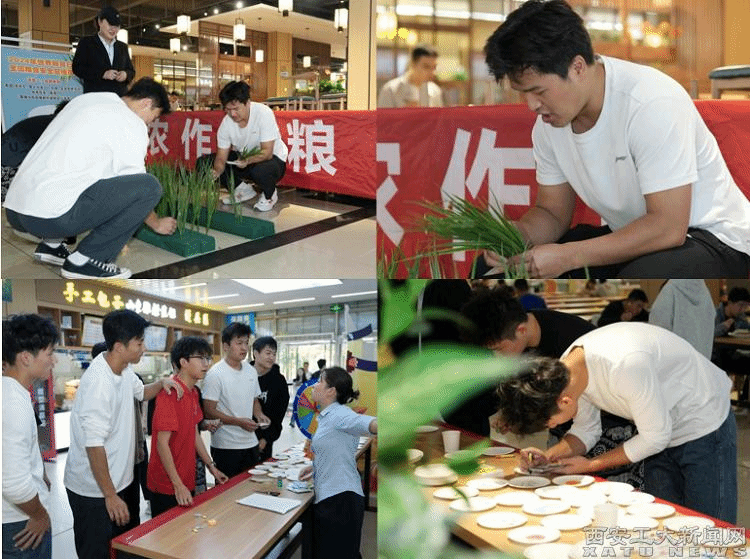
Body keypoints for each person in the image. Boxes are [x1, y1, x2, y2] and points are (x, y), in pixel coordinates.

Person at [481, 0, 750, 278]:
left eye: (539, 91)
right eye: (523, 93)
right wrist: (516, 234)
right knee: (497, 269)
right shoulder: (548, 126)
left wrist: (569, 256)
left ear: (577, 67)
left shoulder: (651, 102)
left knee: (642, 273)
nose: (532, 105)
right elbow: (551, 213)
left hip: (714, 238)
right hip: (636, 234)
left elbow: (668, 227)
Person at [498, 322, 736, 523]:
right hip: (657, 426)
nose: (551, 427)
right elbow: (586, 429)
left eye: (549, 423)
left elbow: (655, 438)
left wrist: (590, 465)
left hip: (703, 420)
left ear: (564, 401)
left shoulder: (625, 366)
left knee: (710, 526)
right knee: (665, 522)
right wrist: (548, 457)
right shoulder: (565, 372)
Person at [3, 78, 176, 279]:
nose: (149, 123)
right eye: (153, 117)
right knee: (149, 187)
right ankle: (86, 260)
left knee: (73, 181)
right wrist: (156, 224)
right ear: (146, 103)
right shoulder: (131, 122)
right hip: (48, 218)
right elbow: (135, 180)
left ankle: (51, 247)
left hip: (16, 212)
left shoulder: (87, 100)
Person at [63, 310, 183, 559]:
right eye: (139, 343)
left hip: (120, 482)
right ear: (119, 346)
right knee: (96, 552)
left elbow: (141, 392)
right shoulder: (99, 383)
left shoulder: (124, 369)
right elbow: (94, 445)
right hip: (93, 491)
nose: (144, 348)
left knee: (124, 547)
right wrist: (110, 495)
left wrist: (161, 383)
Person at [299, 367, 377, 559]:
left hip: (341, 501)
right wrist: (316, 467)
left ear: (331, 391)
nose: (314, 385)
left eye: (320, 381)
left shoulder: (340, 415)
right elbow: (335, 448)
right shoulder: (327, 416)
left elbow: (368, 423)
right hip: (333, 497)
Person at [147, 337, 228, 518]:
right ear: (183, 362)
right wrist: (177, 485)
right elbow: (161, 444)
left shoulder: (193, 392)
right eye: (201, 358)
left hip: (186, 478)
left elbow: (195, 434)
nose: (206, 363)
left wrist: (211, 467)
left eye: (208, 358)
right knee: (167, 534)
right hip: (167, 484)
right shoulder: (170, 393)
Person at [2, 315, 58, 559]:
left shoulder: (12, 393)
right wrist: (40, 515)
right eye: (49, 353)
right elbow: (13, 484)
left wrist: (41, 476)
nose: (54, 360)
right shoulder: (14, 403)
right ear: (26, 357)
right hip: (20, 523)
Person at [196, 81, 288, 211]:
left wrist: (248, 160)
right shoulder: (226, 124)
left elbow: (267, 152)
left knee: (260, 171)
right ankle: (242, 190)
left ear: (247, 103)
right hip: (244, 160)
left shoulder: (263, 113)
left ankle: (270, 194)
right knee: (204, 163)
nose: (232, 114)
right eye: (228, 110)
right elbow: (221, 157)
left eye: (236, 109)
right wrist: (216, 171)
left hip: (272, 159)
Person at [202, 322, 271, 478]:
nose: (244, 348)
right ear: (226, 346)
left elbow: (254, 400)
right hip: (226, 446)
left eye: (246, 343)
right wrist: (239, 422)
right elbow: (209, 411)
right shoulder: (215, 374)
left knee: (251, 486)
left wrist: (259, 415)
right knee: (229, 490)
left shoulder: (251, 371)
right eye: (239, 343)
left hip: (251, 443)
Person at [71, 7, 135, 95]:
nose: (113, 29)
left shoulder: (122, 47)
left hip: (119, 97)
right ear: (100, 22)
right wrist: (102, 74)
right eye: (110, 24)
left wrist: (126, 74)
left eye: (117, 26)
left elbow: (131, 70)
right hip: (96, 96)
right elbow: (77, 68)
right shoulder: (87, 43)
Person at [648, 279, 715, 359]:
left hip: (674, 363)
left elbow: (656, 336)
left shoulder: (669, 290)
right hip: (702, 363)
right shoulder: (706, 295)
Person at [250, 336, 289, 461]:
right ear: (256, 353)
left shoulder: (279, 381)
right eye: (268, 353)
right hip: (239, 438)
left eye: (274, 354)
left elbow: (279, 415)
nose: (271, 357)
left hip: (263, 441)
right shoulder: (243, 375)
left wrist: (266, 439)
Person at [378, 45, 443, 108]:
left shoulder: (435, 91)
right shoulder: (390, 90)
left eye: (434, 67)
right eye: (426, 67)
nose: (432, 72)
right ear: (413, 64)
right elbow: (382, 115)